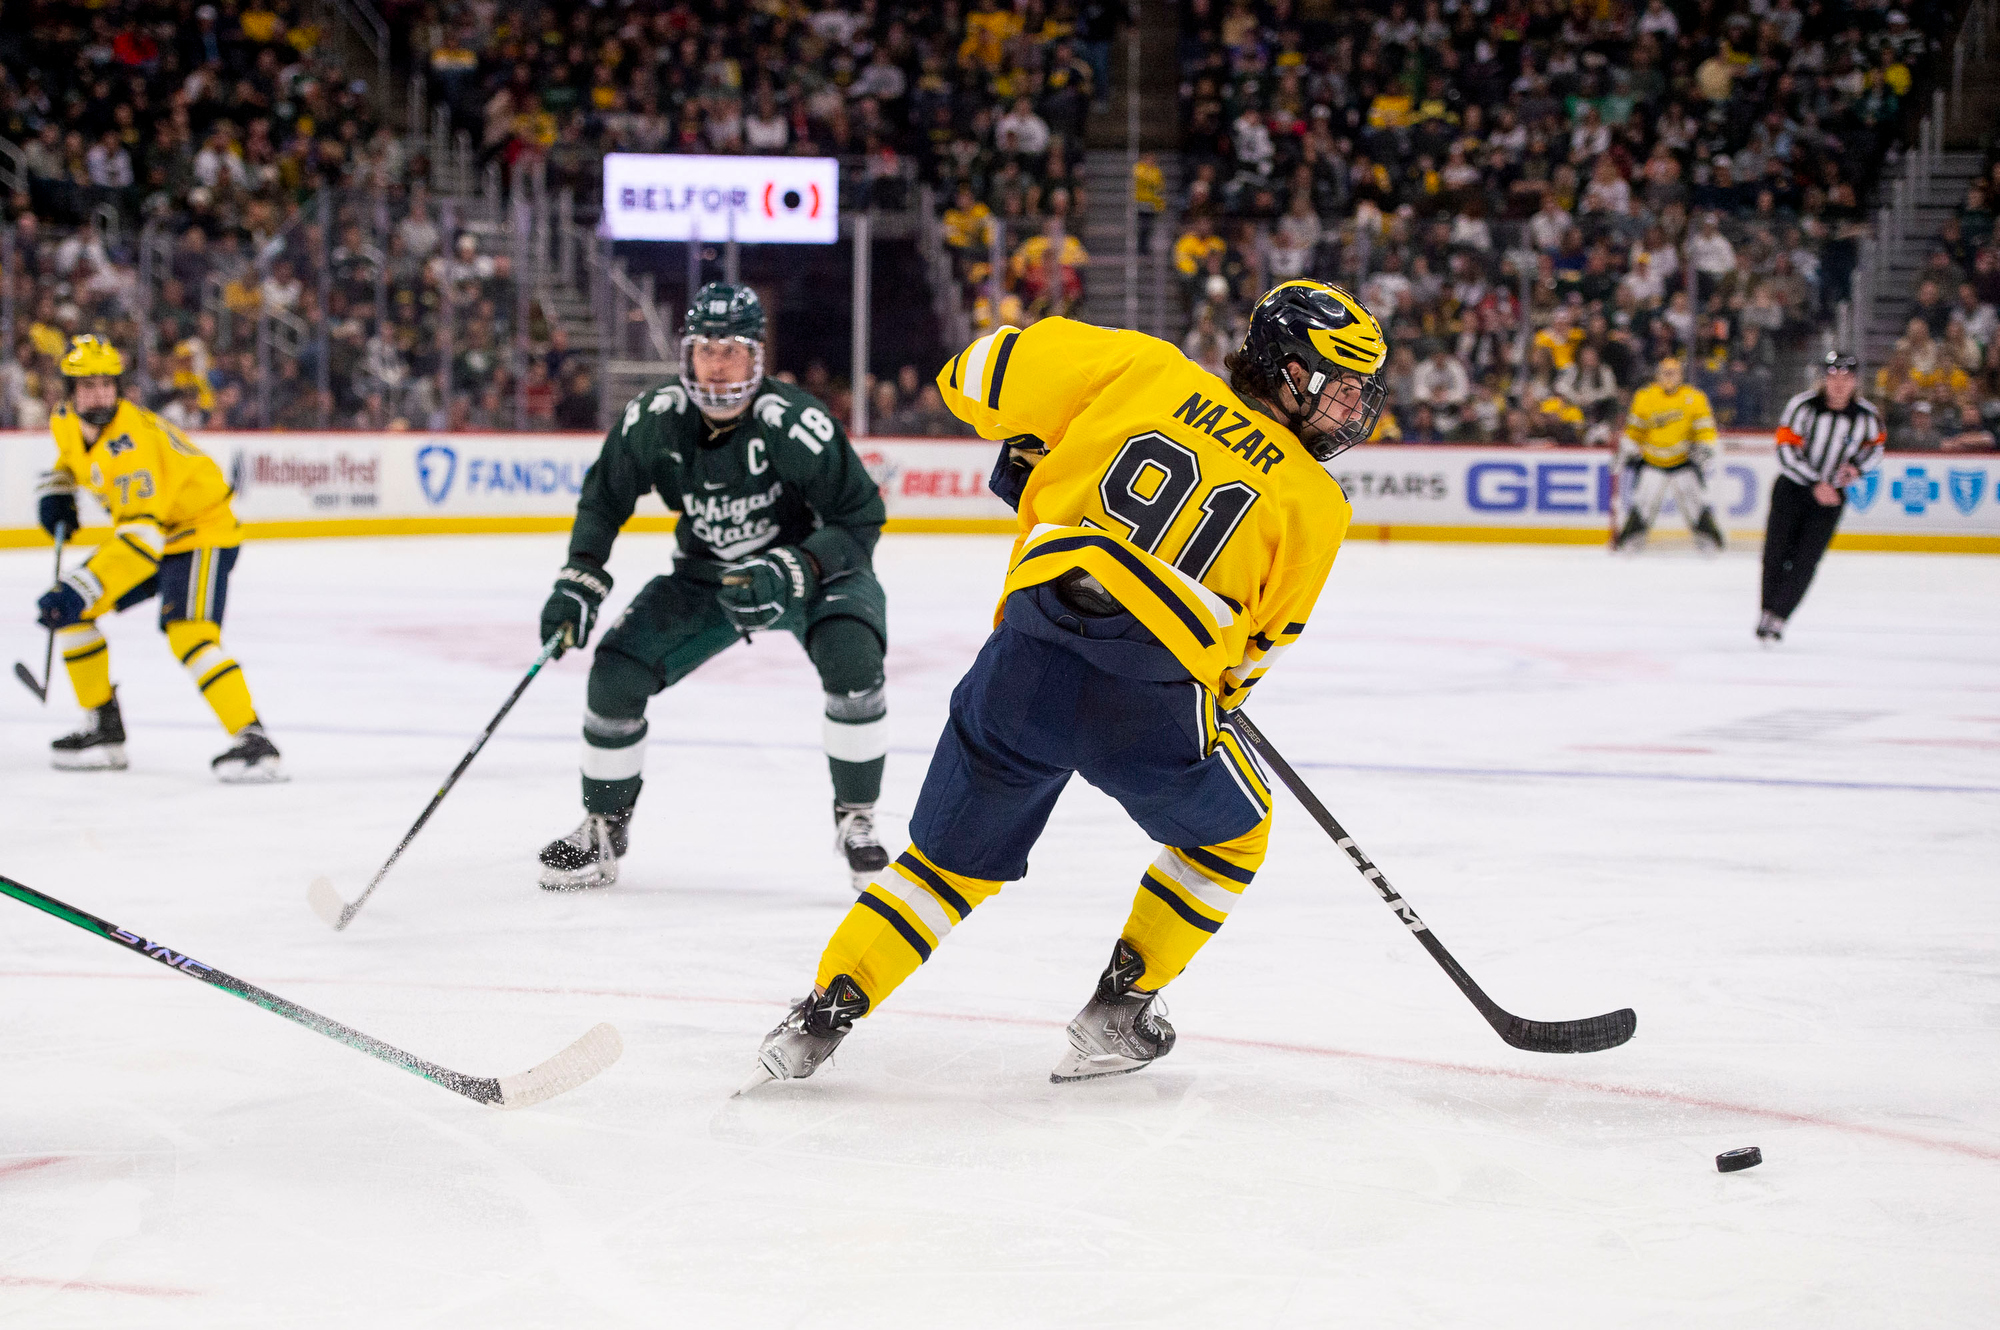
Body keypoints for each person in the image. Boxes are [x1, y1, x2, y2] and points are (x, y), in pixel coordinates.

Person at [746, 281, 1389, 1088]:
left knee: (945, 866)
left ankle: (824, 1012)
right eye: (1340, 384)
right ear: (1285, 368)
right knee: (1234, 833)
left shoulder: (1140, 368)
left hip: (1026, 660)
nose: (1352, 408)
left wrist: (1034, 446)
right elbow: (1249, 660)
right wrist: (1209, 692)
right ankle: (1121, 1009)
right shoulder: (1317, 503)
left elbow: (972, 374)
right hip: (1151, 696)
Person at [534, 284, 892, 892]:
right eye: (706, 349)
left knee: (853, 656)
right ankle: (604, 825)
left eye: (733, 350)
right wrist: (580, 574)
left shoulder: (796, 423)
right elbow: (604, 498)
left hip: (806, 570)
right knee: (614, 673)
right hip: (709, 576)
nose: (718, 363)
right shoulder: (655, 419)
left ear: (757, 357)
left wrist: (794, 567)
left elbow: (860, 520)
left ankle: (857, 818)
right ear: (686, 356)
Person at [32, 335, 283, 780]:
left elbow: (141, 541)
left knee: (189, 634)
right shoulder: (65, 421)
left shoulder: (130, 444)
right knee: (73, 614)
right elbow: (72, 461)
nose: (99, 394)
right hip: (154, 534)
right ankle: (103, 728)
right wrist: (58, 490)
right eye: (87, 385)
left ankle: (253, 740)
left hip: (198, 532)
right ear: (69, 393)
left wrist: (79, 585)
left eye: (107, 384)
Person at [1759, 352, 1886, 645]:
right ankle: (1767, 610)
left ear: (1855, 382)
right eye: (1833, 377)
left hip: (1831, 497)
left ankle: (1778, 617)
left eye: (1846, 378)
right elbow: (1785, 450)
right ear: (1824, 379)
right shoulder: (1801, 406)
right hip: (1792, 490)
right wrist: (1815, 482)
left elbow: (1875, 449)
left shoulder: (1866, 416)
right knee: (1776, 554)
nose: (1839, 384)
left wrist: (1856, 469)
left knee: (1806, 560)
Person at [1614, 356, 1726, 553]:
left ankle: (1710, 542)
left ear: (1680, 375)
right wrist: (1628, 447)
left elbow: (1705, 429)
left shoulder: (1694, 398)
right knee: (1644, 502)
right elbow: (1635, 430)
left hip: (1684, 461)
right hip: (1652, 461)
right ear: (1657, 374)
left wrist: (1706, 447)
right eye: (1665, 373)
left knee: (1695, 503)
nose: (1669, 377)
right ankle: (1630, 542)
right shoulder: (1645, 396)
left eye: (1673, 373)